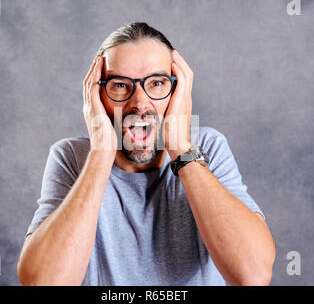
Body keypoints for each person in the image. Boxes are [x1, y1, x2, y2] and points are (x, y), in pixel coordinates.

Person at [17, 22, 276, 286]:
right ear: (96, 94)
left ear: (178, 91)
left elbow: (252, 275)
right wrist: (101, 153)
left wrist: (182, 149)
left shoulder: (207, 147)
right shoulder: (72, 157)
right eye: (119, 85)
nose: (140, 103)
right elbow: (43, 282)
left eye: (157, 83)